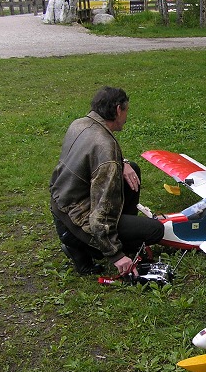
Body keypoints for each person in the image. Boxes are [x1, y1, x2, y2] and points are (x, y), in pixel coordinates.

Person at [50, 86, 164, 276]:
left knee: (132, 169)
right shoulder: (106, 147)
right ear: (118, 109)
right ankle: (82, 247)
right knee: (155, 231)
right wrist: (115, 254)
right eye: (126, 110)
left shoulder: (80, 124)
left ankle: (110, 235)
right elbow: (100, 213)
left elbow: (90, 158)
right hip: (77, 215)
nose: (127, 116)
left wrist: (123, 162)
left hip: (61, 201)